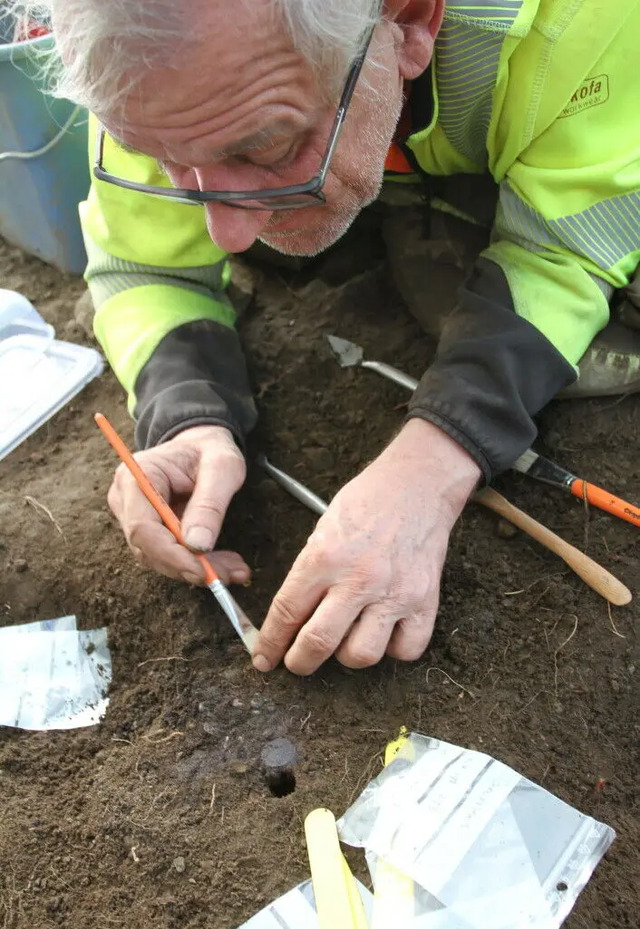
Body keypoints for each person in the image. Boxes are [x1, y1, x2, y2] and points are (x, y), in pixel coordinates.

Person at [24, 0, 640, 675]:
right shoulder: (163, 64)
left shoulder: (586, 20)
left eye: (264, 146)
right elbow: (142, 264)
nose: (225, 237)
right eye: (165, 160)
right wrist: (187, 411)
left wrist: (436, 461)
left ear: (410, 20)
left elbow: (566, 250)